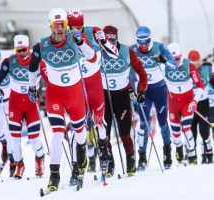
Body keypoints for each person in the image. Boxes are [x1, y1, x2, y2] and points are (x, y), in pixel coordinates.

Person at [28, 8, 91, 191]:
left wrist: (81, 42)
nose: (60, 29)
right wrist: (33, 87)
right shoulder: (41, 47)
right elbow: (33, 69)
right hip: (55, 94)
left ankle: (78, 167)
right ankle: (54, 176)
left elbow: (90, 56)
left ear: (66, 25)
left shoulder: (74, 39)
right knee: (57, 133)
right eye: (56, 25)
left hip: (76, 94)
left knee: (79, 135)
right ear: (50, 26)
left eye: (62, 24)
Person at [66, 10, 119, 182]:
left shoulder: (94, 31)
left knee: (99, 120)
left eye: (79, 27)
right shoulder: (62, 37)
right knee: (78, 127)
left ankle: (104, 153)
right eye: (72, 27)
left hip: (94, 83)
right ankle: (77, 165)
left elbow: (114, 54)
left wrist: (103, 40)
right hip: (76, 85)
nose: (75, 30)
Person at [0, 35, 45, 179]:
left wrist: (49, 93)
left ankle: (40, 159)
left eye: (25, 49)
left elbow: (50, 79)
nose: (22, 53)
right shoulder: (9, 61)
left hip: (31, 104)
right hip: (15, 104)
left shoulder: (38, 62)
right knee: (14, 139)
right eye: (18, 50)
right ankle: (19, 165)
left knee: (34, 139)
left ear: (29, 48)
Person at [101, 25, 148, 176]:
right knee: (104, 134)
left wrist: (141, 91)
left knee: (124, 133)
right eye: (107, 41)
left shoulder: (127, 51)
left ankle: (130, 158)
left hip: (123, 97)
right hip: (104, 97)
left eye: (112, 41)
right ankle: (109, 162)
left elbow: (142, 74)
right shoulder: (97, 51)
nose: (110, 45)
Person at [130, 26, 178, 171]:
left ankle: (167, 152)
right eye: (140, 41)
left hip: (159, 89)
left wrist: (163, 60)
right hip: (144, 90)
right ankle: (142, 156)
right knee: (143, 124)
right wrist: (131, 90)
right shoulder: (133, 50)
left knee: (163, 123)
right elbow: (126, 70)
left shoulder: (159, 47)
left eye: (146, 40)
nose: (143, 44)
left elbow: (174, 66)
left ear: (150, 38)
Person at [166, 44, 204, 165]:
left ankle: (192, 154)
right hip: (173, 102)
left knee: (186, 128)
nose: (175, 62)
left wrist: (195, 101)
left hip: (187, 101)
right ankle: (179, 148)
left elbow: (200, 86)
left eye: (177, 59)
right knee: (175, 132)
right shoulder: (163, 65)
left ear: (181, 56)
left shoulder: (189, 65)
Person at [188, 50, 213, 164]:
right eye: (193, 63)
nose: (196, 65)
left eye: (197, 62)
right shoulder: (185, 71)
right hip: (190, 105)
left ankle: (209, 152)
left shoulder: (206, 71)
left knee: (204, 132)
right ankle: (192, 156)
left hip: (203, 105)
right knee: (192, 132)